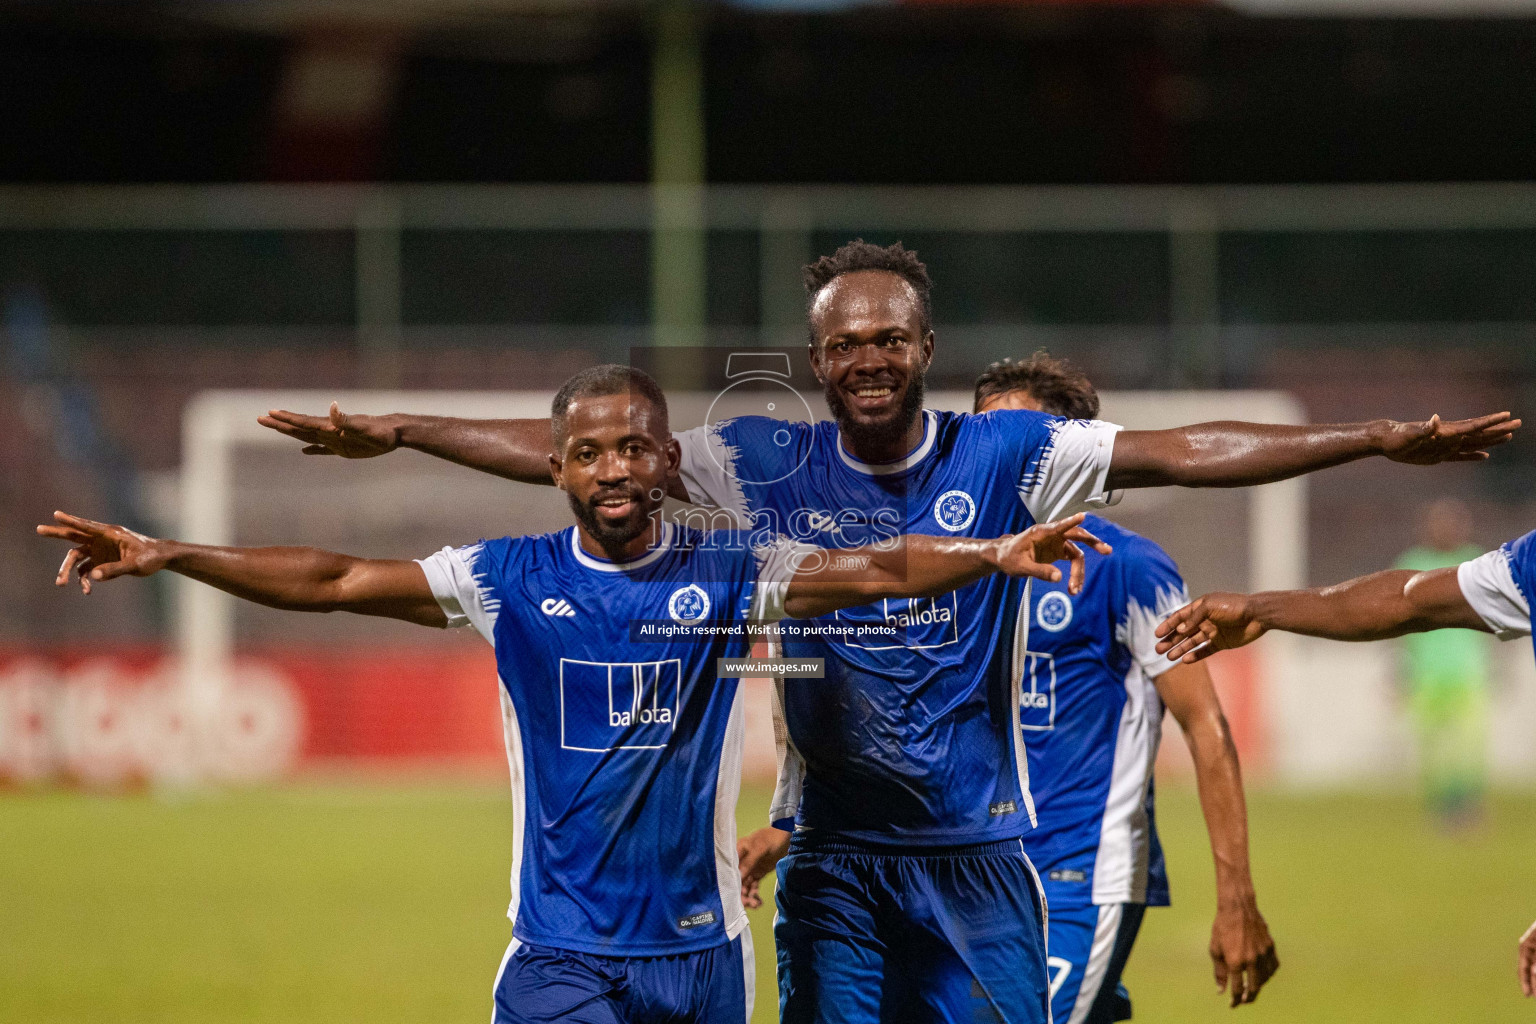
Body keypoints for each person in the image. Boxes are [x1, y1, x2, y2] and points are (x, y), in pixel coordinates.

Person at [257, 240, 1516, 1024]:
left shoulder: (1009, 451)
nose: (866, 355)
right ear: (815, 357)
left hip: (981, 855)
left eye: (888, 337)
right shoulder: (759, 462)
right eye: (842, 341)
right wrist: (408, 429)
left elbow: (1189, 452)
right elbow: (597, 457)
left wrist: (1375, 437)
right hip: (837, 864)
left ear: (924, 346)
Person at [39, 364, 1111, 1024]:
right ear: (555, 467)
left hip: (702, 958)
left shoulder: (731, 567)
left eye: (634, 446)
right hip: (562, 953)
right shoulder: (507, 579)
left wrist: (993, 550)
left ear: (665, 461)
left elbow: (878, 569)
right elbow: (333, 580)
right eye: (588, 451)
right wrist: (169, 550)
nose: (612, 467)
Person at [737, 352, 1278, 1023]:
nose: (1006, 459)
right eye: (988, 437)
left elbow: (1206, 725)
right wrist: (787, 832)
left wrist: (1236, 896)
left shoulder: (1130, 569)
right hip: (965, 869)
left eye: (1031, 445)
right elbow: (907, 736)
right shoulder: (948, 566)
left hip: (1079, 873)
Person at [1152, 523, 1536, 1002]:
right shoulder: (1529, 563)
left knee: (1464, 749)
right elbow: (1410, 599)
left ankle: (1465, 808)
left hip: (1465, 679)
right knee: (1441, 753)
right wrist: (1261, 609)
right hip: (1434, 681)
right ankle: (1450, 810)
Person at [1393, 498, 1492, 827]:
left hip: (1467, 672)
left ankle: (1467, 808)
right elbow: (1398, 625)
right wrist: (1401, 672)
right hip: (1427, 675)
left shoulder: (1476, 561)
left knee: (1467, 748)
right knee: (1433, 750)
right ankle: (1440, 810)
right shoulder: (1413, 562)